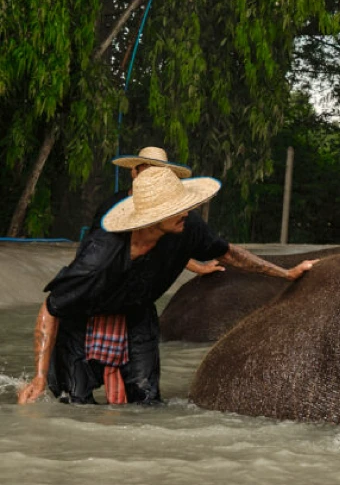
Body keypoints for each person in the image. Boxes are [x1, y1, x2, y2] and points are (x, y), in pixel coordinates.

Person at [17, 167, 319, 406]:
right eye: (176, 207)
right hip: (82, 320)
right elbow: (51, 307)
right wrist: (39, 377)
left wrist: (286, 273)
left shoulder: (186, 228)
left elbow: (227, 252)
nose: (186, 211)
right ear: (151, 218)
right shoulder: (101, 255)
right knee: (74, 404)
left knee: (146, 402)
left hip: (137, 310)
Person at [92, 146, 223, 277]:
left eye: (158, 172)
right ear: (134, 172)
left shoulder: (168, 213)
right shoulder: (110, 208)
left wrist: (199, 268)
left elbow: (170, 247)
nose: (152, 176)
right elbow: (94, 253)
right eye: (148, 170)